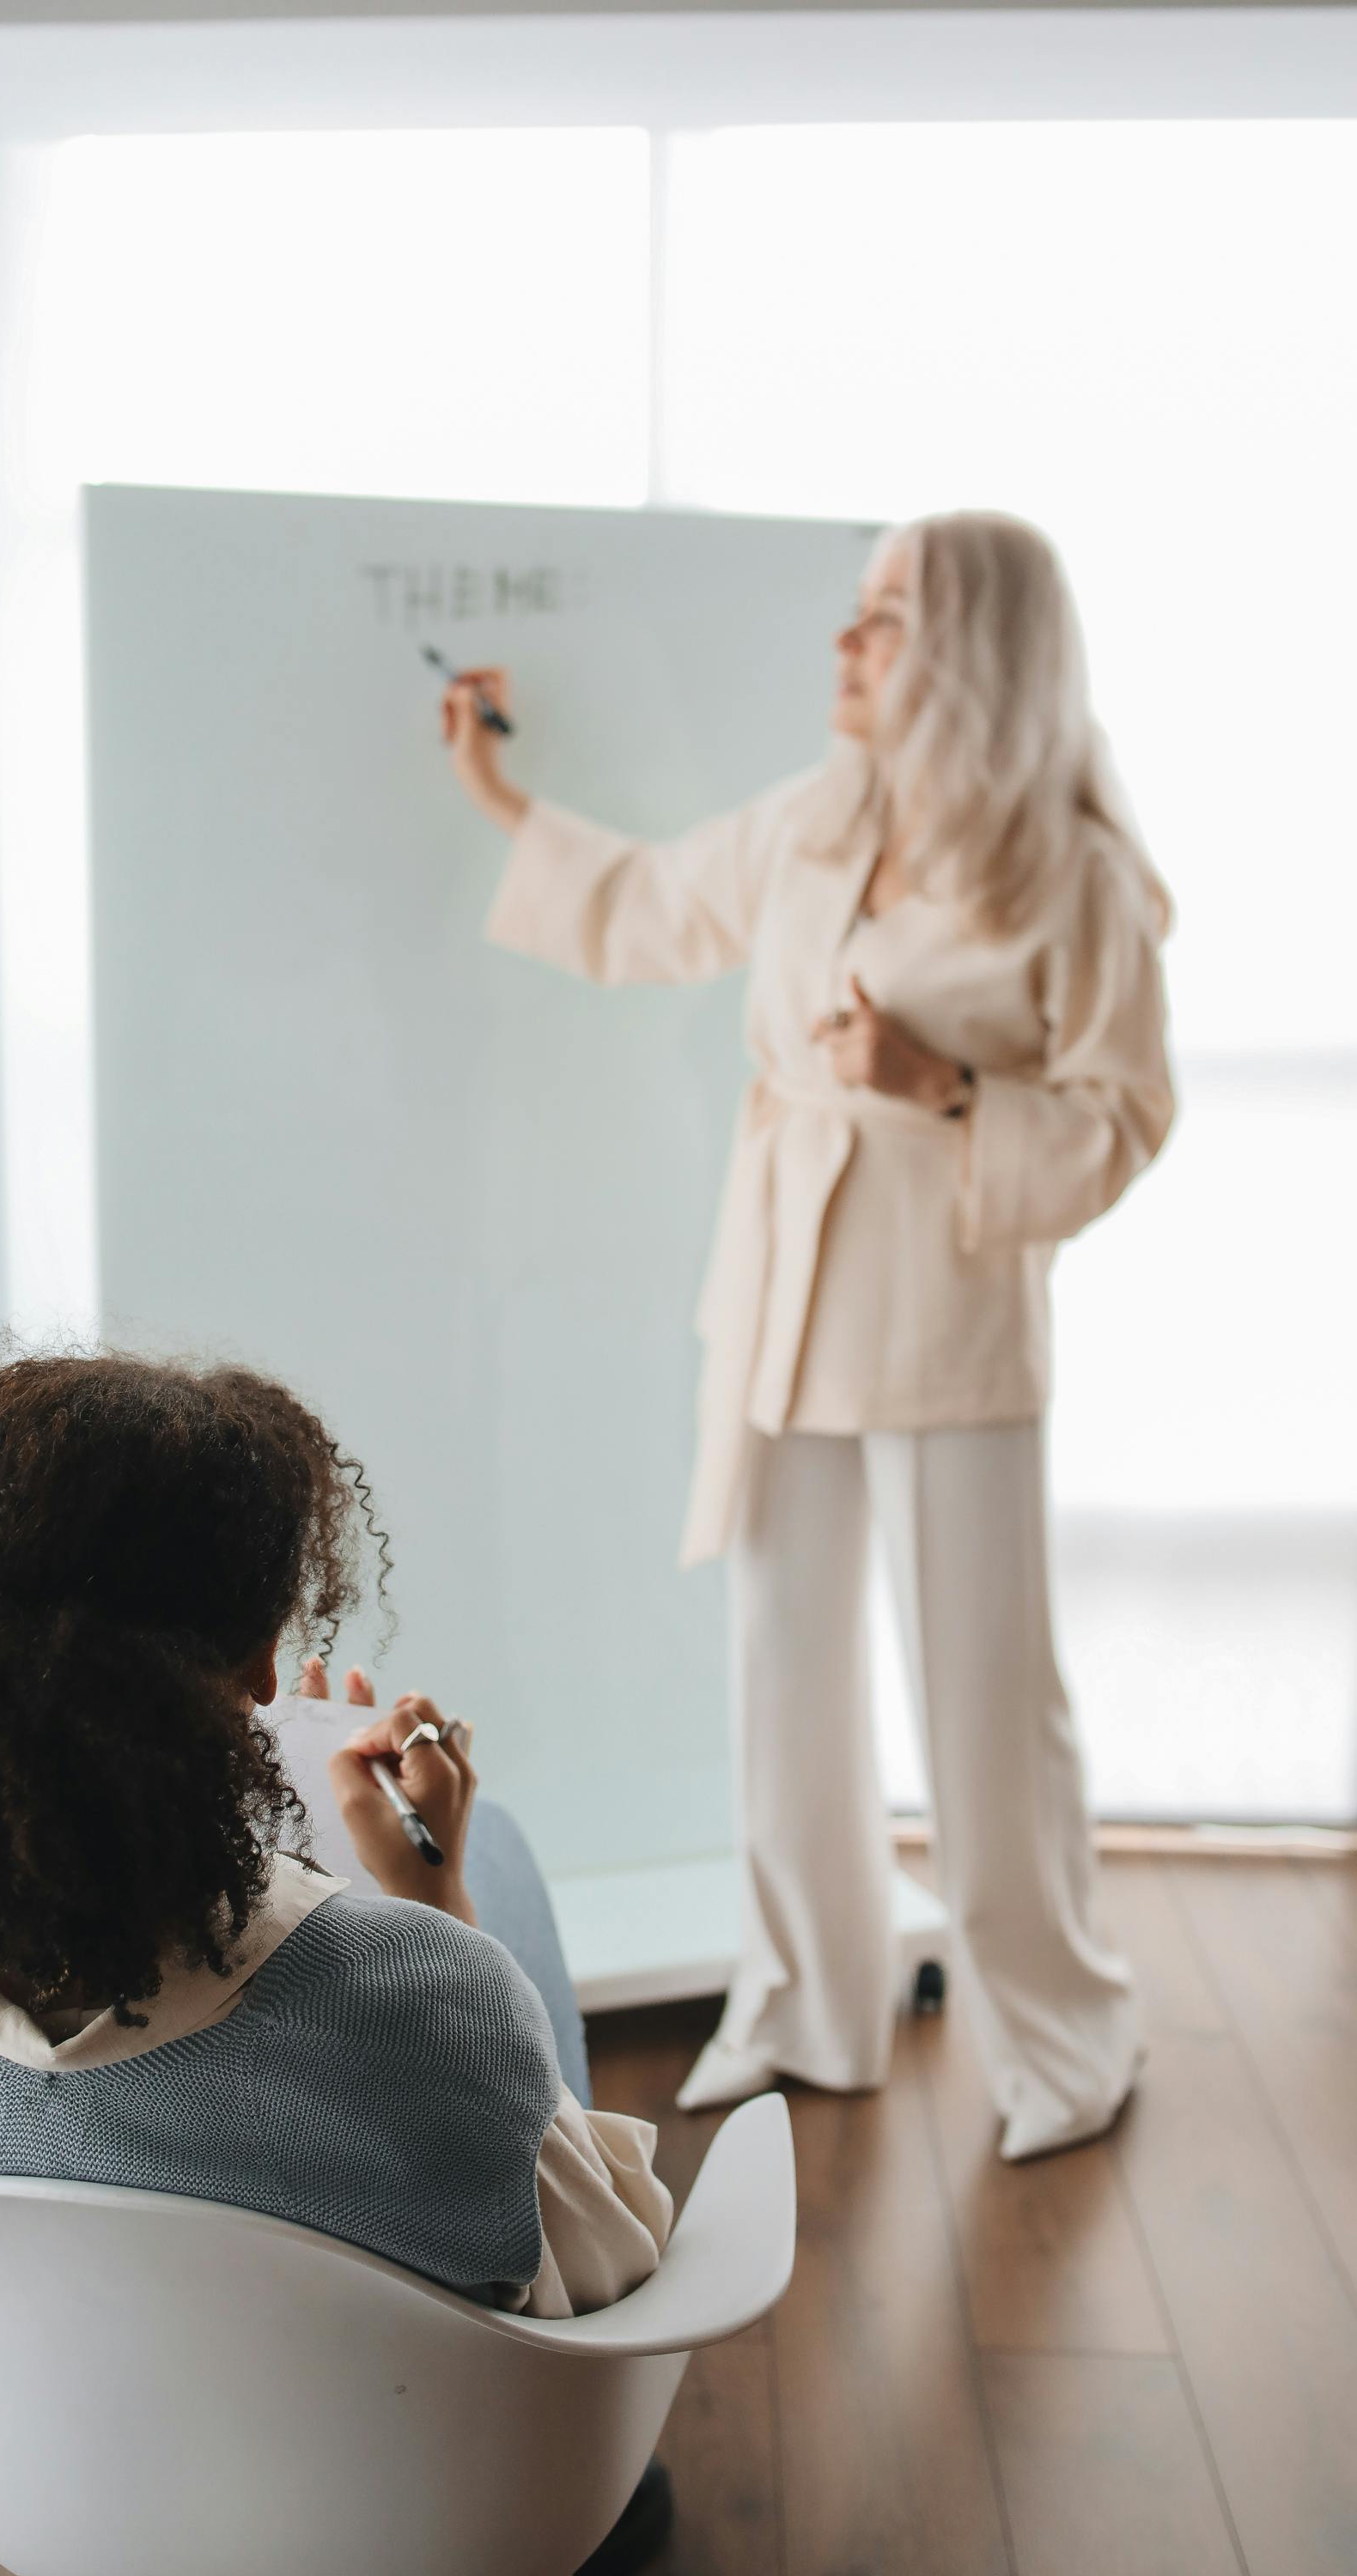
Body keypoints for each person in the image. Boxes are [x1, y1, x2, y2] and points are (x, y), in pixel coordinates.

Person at [439, 510, 1174, 2160]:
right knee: (785, 1669)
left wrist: (950, 1087)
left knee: (985, 1695)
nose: (846, 646)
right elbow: (651, 905)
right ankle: (809, 2005)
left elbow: (1128, 1117)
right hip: (781, 1292)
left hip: (951, 1313)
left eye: (886, 620)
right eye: (853, 615)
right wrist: (496, 792)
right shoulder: (821, 819)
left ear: (975, 650)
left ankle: (1066, 2038)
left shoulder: (1072, 871)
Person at [0, 1353, 675, 2568]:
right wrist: (427, 1900)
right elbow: (606, 2264)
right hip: (426, 2512)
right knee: (514, 1868)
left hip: (43, 2502)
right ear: (264, 1674)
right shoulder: (428, 2005)